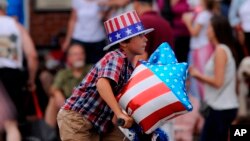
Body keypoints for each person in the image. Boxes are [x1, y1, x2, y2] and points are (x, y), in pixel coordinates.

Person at [57, 10, 154, 141]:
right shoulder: (115, 57)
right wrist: (119, 113)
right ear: (124, 43)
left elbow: (118, 110)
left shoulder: (129, 69)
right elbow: (102, 84)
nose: (145, 39)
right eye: (140, 35)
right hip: (77, 118)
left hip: (99, 123)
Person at [189, 15, 239, 141]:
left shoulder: (221, 51)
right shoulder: (221, 49)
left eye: (209, 27)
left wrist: (197, 75)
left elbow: (218, 82)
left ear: (217, 29)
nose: (207, 31)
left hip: (221, 108)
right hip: (220, 107)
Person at [0, 0, 38, 140]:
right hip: (12, 76)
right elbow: (32, 56)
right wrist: (31, 80)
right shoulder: (16, 26)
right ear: (5, 9)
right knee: (11, 125)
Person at [45, 44, 92, 128]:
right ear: (69, 58)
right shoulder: (63, 73)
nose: (79, 57)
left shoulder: (92, 69)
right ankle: (48, 134)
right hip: (69, 106)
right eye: (75, 54)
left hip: (89, 104)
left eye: (81, 54)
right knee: (53, 99)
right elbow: (53, 88)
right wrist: (57, 93)